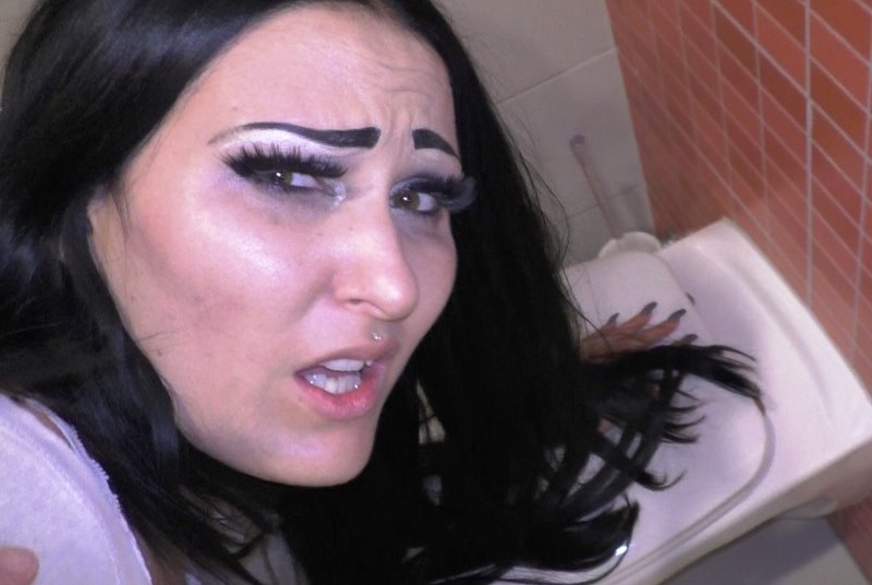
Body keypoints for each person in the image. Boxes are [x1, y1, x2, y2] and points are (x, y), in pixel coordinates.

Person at [0, 1, 759, 583]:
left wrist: (545, 383)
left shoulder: (179, 415)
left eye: (420, 197)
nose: (396, 287)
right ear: (76, 199)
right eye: (286, 176)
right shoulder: (29, 495)